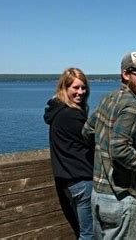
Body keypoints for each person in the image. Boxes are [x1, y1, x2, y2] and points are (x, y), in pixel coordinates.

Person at [82, 51, 136, 239]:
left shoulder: (109, 98)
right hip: (120, 198)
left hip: (98, 195)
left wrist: (102, 151)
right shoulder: (132, 105)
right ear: (125, 74)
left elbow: (87, 131)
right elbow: (119, 149)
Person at [44, 68, 94, 240]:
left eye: (83, 88)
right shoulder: (72, 115)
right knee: (89, 234)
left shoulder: (57, 111)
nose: (80, 92)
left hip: (66, 182)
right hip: (82, 181)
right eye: (75, 88)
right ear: (64, 89)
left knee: (82, 231)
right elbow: (95, 142)